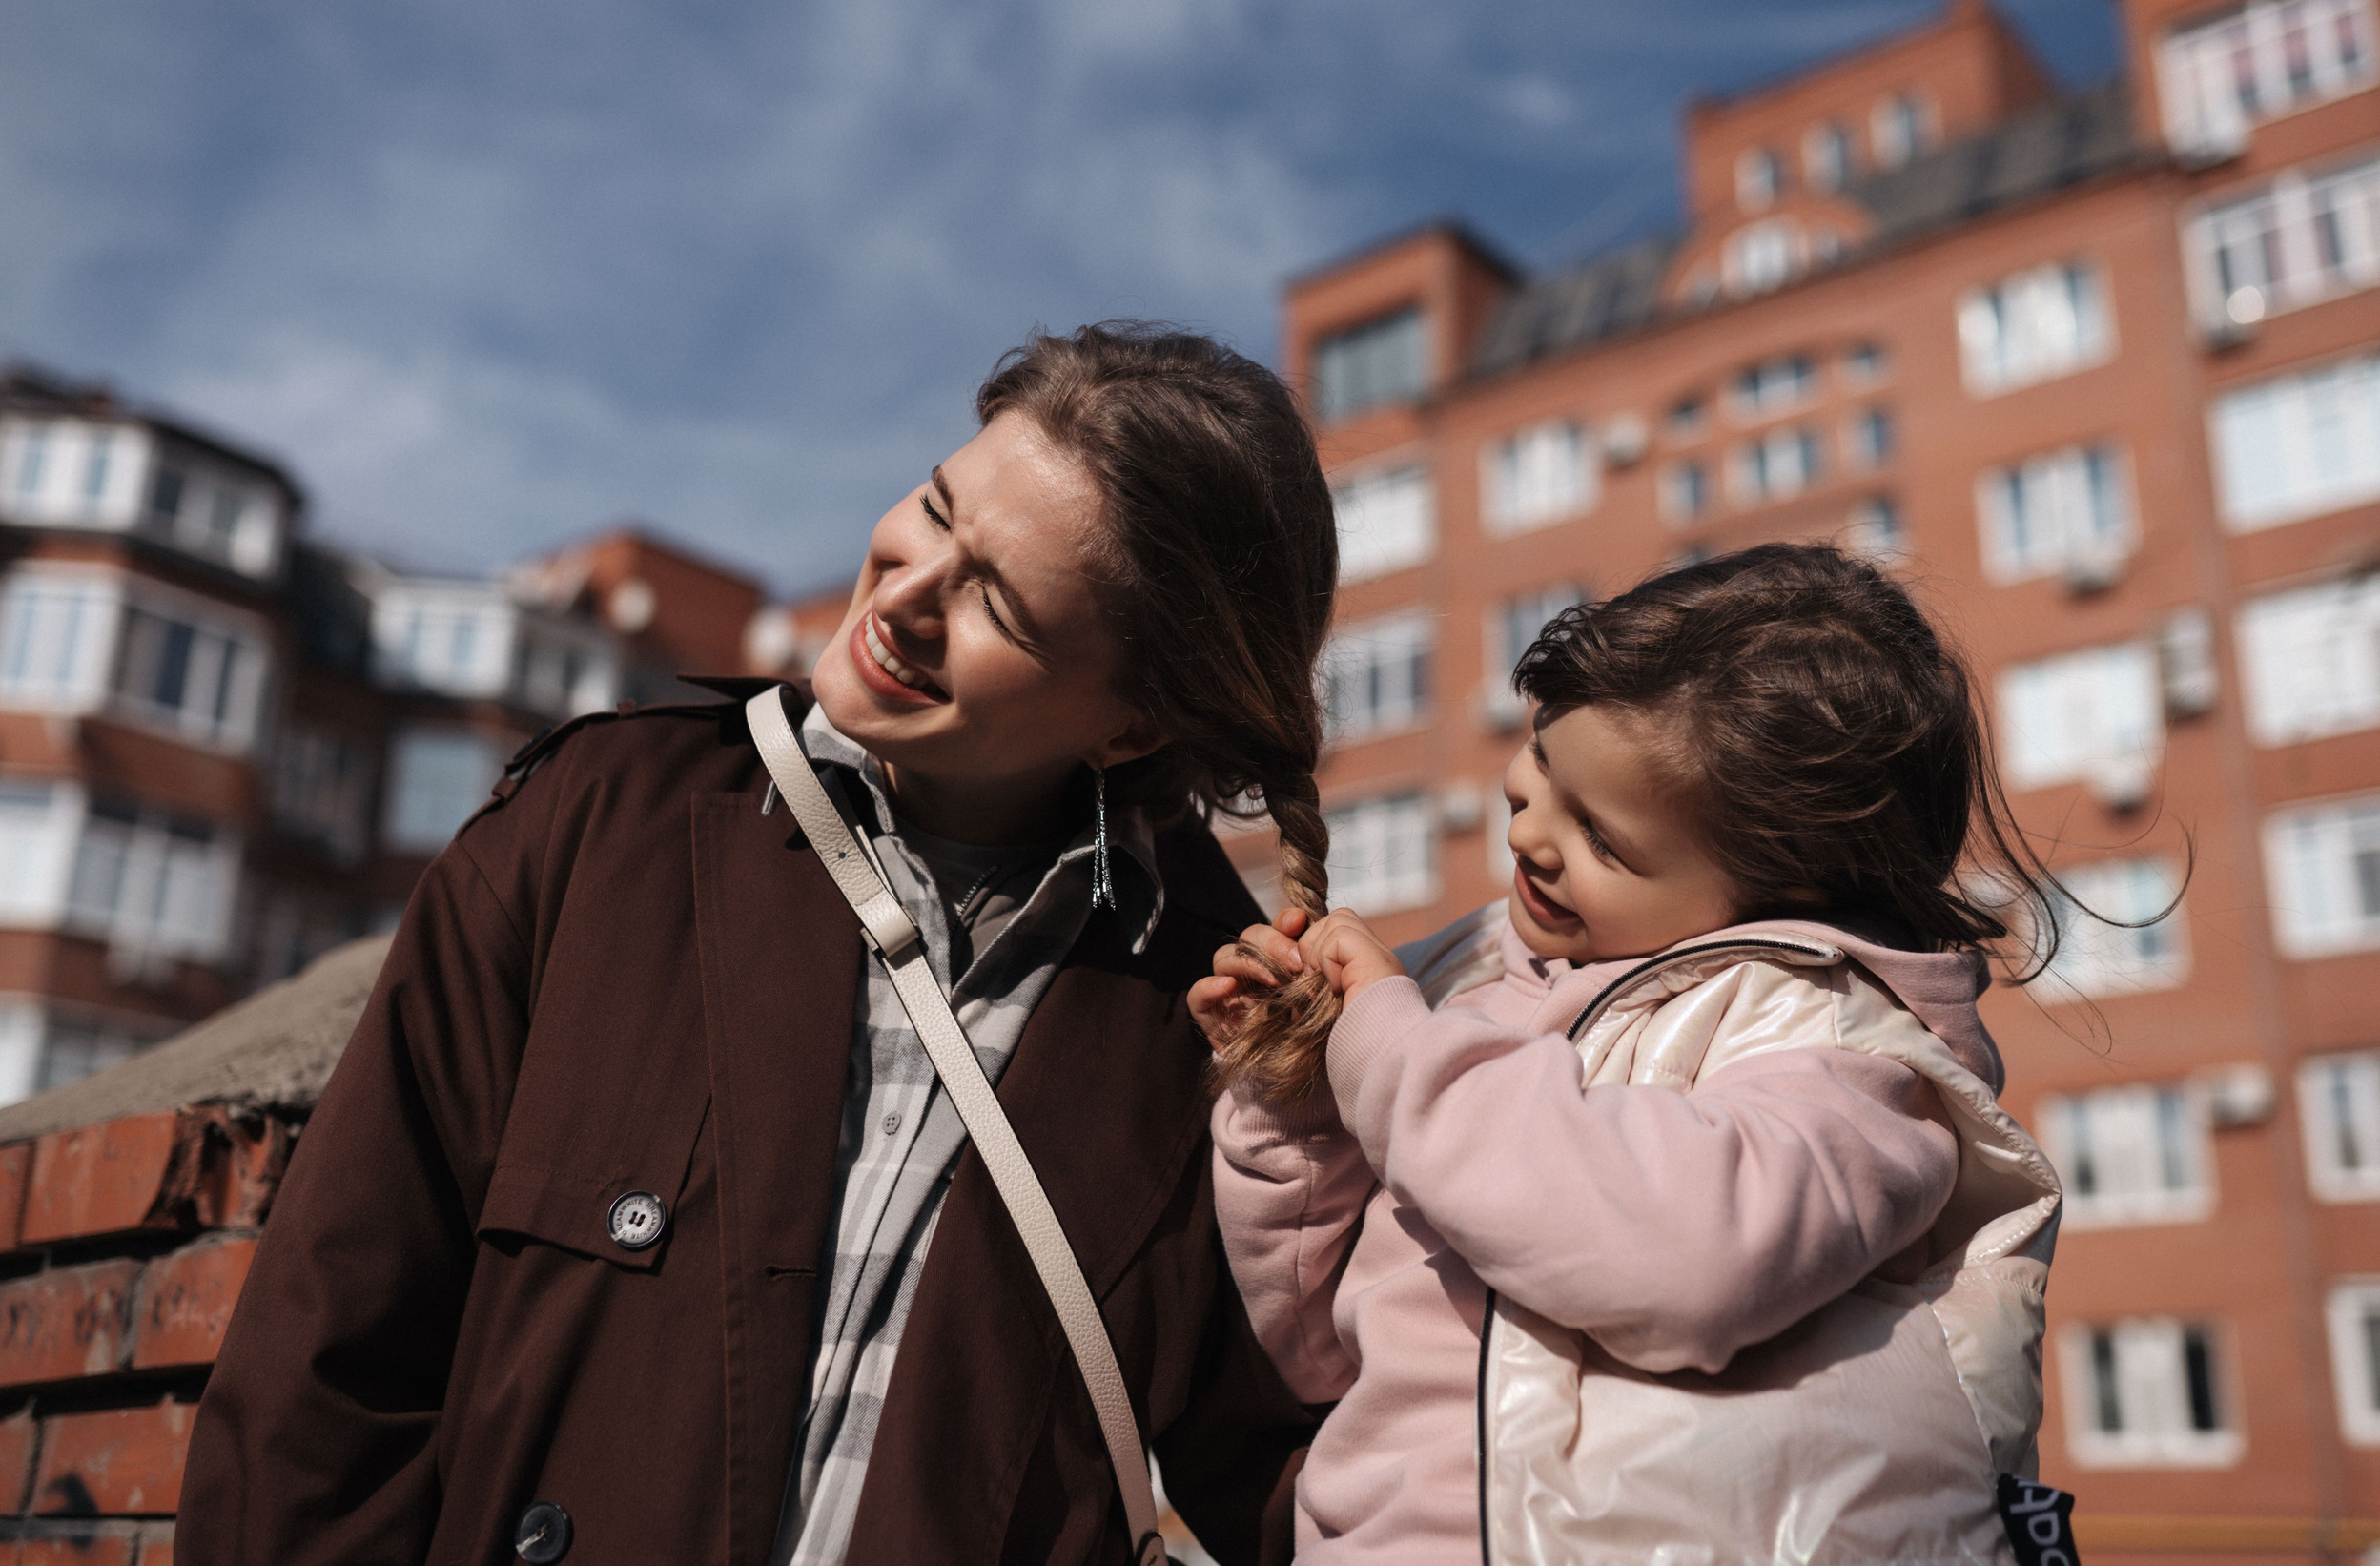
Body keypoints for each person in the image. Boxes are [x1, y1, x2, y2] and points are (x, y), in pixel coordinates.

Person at [175, 323, 1337, 1566]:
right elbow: (323, 1370)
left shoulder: (1219, 1012)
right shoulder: (596, 823)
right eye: (935, 509)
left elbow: (1308, 1490)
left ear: (1130, 726)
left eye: (995, 600)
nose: (904, 594)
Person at [1198, 545, 2075, 1564]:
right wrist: (1293, 1098)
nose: (1531, 833)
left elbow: (1690, 1257)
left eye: (1602, 839)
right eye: (1541, 761)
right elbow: (1316, 1352)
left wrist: (1389, 1057)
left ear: (1778, 888)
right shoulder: (1456, 981)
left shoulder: (1843, 1051)